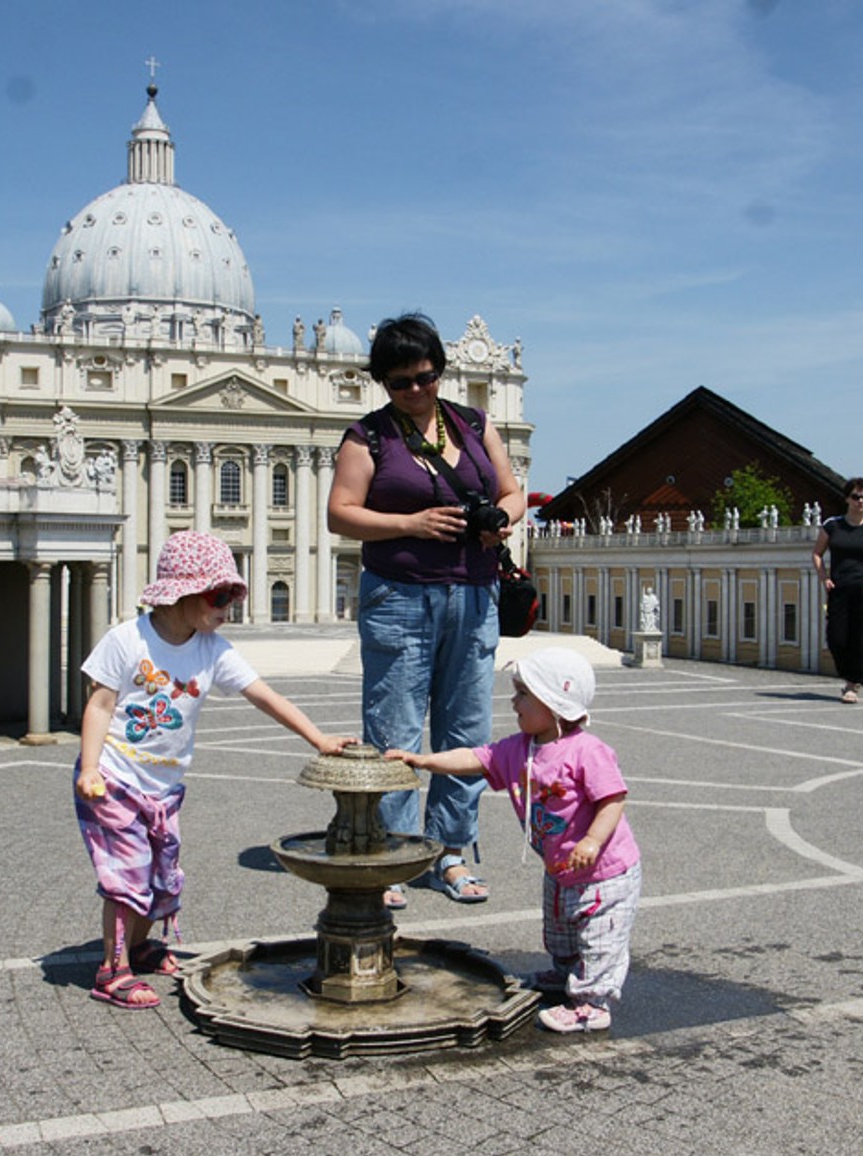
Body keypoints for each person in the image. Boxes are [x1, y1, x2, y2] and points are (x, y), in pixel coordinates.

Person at [76, 530, 353, 1009]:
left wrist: (319, 738)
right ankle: (112, 969)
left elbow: (264, 696)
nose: (229, 607)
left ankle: (139, 947)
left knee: (162, 874)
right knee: (128, 876)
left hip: (163, 786)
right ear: (182, 593)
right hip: (114, 778)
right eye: (220, 596)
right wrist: (90, 767)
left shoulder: (212, 648)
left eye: (234, 596)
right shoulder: (127, 639)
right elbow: (99, 705)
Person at [327, 313, 525, 909]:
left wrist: (502, 522)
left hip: (472, 591)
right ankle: (389, 852)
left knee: (468, 727)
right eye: (400, 381)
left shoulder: (472, 424)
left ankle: (450, 853)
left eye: (425, 376)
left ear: (440, 370)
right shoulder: (368, 437)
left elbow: (512, 493)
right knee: (394, 729)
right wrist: (410, 523)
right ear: (382, 383)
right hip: (400, 595)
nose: (415, 389)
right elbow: (341, 513)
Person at [387, 648, 640, 1033]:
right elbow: (474, 758)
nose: (513, 701)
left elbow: (612, 799)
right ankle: (567, 973)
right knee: (560, 929)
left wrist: (591, 841)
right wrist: (423, 761)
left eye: (523, 693)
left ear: (554, 703)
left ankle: (592, 1003)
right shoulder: (519, 749)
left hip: (605, 872)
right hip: (559, 866)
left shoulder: (587, 750)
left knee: (600, 937)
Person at [811, 476, 863, 704]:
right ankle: (849, 673)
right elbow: (817, 553)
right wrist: (824, 578)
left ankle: (853, 684)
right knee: (836, 637)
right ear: (847, 498)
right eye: (856, 497)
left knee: (860, 636)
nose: (861, 502)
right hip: (839, 588)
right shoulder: (833, 525)